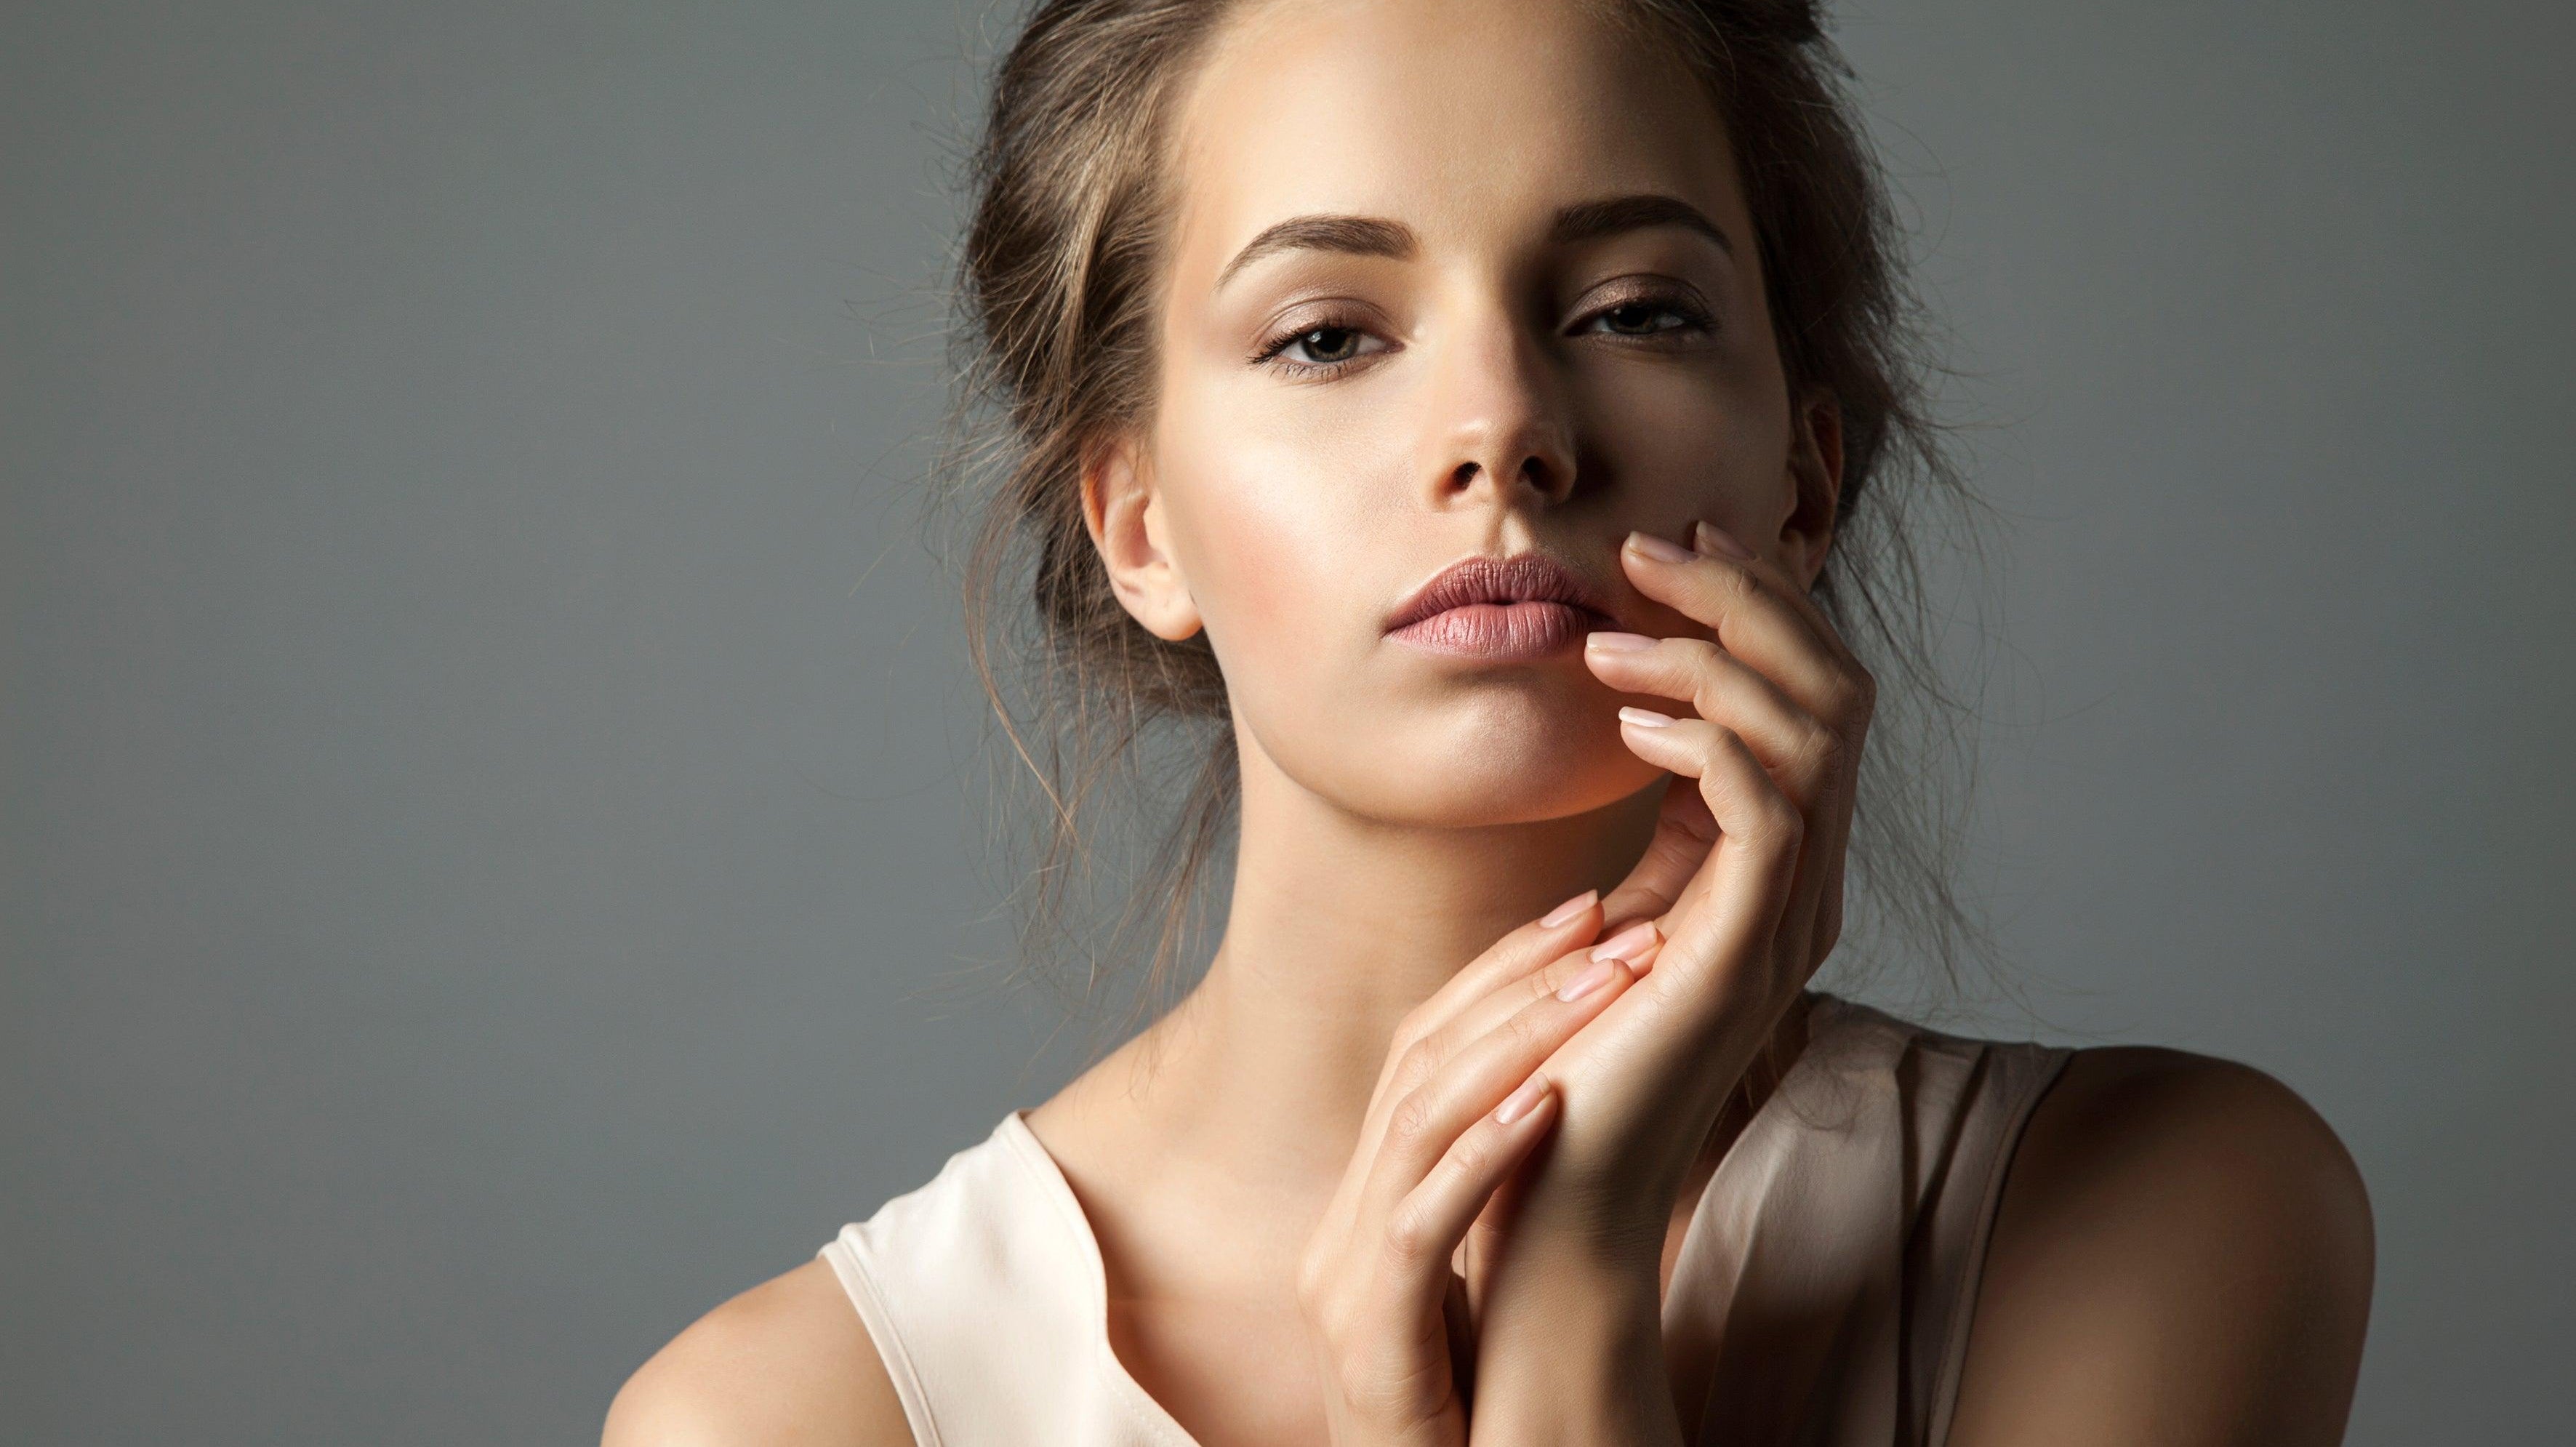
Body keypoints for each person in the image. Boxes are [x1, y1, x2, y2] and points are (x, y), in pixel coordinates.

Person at [604, 0, 2375, 1440]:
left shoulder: (2150, 1216)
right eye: (1326, 336)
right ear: (1137, 523)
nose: (1505, 426)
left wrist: (1568, 1288)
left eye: (1632, 311)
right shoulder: (798, 1413)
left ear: (1801, 484)